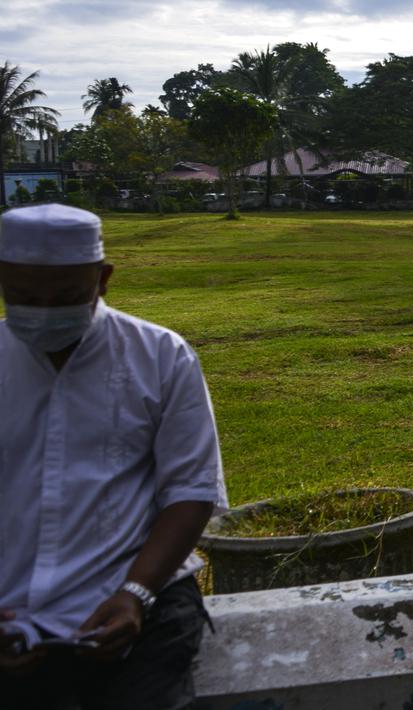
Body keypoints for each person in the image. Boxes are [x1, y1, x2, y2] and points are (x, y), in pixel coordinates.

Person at [0, 204, 228, 709]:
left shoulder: (161, 356)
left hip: (136, 596)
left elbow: (190, 492)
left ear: (102, 280)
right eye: (22, 297)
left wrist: (136, 595)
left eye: (64, 297)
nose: (42, 312)